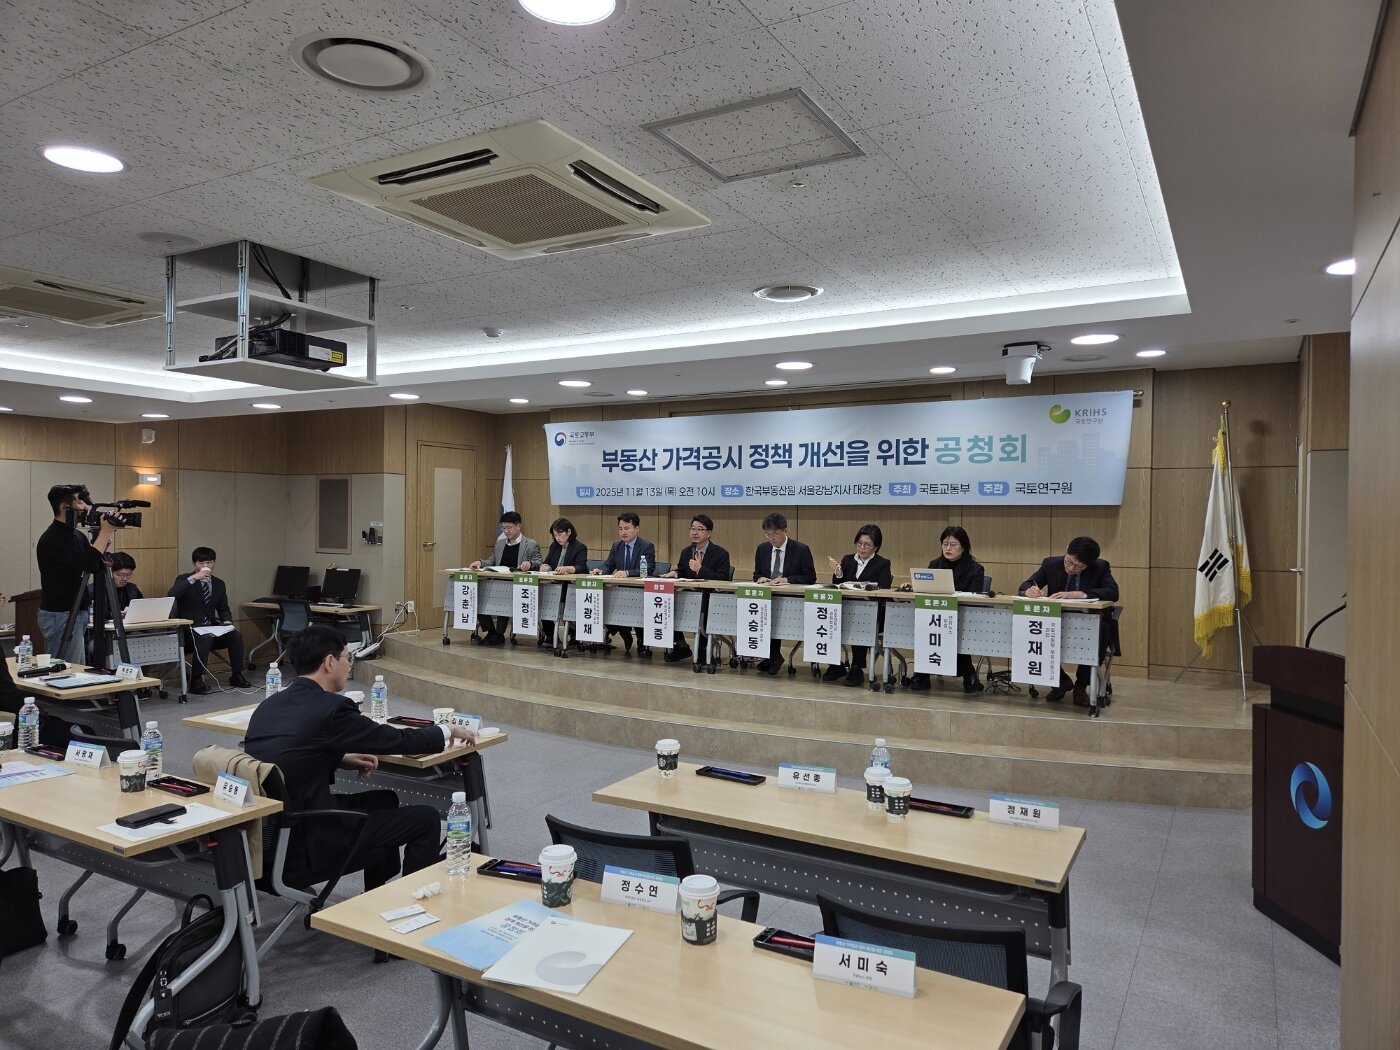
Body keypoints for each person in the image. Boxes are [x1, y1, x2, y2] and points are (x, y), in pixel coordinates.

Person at [244, 625, 477, 893]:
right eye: (348, 658)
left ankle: (375, 892)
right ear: (330, 662)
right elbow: (394, 740)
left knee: (385, 799)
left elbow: (291, 755)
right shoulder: (332, 709)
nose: (349, 666)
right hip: (309, 837)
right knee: (424, 819)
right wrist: (446, 730)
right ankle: (415, 901)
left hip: (275, 832)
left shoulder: (270, 705)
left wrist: (339, 758)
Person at [1019, 536, 1120, 705]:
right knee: (1030, 628)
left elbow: (1112, 592)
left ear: (1089, 564)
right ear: (1066, 550)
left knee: (1100, 631)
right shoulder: (1050, 564)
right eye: (1069, 562)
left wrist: (1081, 594)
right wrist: (1028, 590)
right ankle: (1061, 681)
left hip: (1088, 621)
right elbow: (1027, 584)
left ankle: (1081, 686)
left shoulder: (1101, 567)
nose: (1071, 568)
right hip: (1056, 620)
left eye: (1079, 567)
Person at [36, 483, 119, 664]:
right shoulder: (52, 538)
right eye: (81, 502)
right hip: (61, 613)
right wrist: (105, 532)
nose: (86, 508)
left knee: (75, 667)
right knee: (65, 670)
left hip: (75, 611)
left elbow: (94, 566)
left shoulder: (76, 535)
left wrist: (102, 542)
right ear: (65, 507)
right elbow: (86, 562)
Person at [908, 526, 986, 693]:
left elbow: (975, 598)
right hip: (934, 617)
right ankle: (922, 674)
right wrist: (914, 587)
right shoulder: (934, 564)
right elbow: (926, 591)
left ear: (963, 547)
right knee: (927, 628)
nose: (948, 548)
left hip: (962, 618)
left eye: (953, 544)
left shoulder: (975, 569)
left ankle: (968, 674)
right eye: (944, 544)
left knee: (954, 630)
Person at [169, 546, 251, 693]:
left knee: (235, 636)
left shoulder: (219, 584)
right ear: (195, 564)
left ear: (214, 563)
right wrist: (193, 578)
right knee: (204, 638)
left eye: (209, 563)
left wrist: (227, 622)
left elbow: (223, 608)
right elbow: (172, 594)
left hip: (212, 627)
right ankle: (196, 679)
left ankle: (237, 674)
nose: (206, 566)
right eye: (201, 563)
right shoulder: (184, 580)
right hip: (190, 631)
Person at [826, 524, 893, 686]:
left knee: (860, 618)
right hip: (845, 608)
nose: (862, 548)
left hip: (869, 610)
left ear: (876, 547)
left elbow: (883, 588)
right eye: (859, 544)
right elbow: (839, 585)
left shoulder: (882, 563)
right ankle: (835, 664)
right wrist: (838, 573)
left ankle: (857, 666)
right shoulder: (848, 559)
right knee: (828, 617)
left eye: (867, 545)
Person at [752, 512, 816, 675]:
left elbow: (810, 577)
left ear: (785, 530)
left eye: (775, 534)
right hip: (768, 597)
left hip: (791, 599)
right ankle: (771, 656)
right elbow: (756, 573)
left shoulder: (800, 549)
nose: (771, 538)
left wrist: (786, 579)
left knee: (775, 616)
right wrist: (761, 579)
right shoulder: (762, 549)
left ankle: (773, 657)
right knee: (763, 615)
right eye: (767, 534)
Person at [661, 514, 730, 663]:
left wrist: (701, 569)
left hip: (710, 598)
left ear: (709, 533)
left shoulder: (720, 554)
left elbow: (724, 580)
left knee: (702, 605)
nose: (695, 532)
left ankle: (704, 649)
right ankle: (680, 645)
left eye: (700, 529)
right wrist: (674, 573)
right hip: (689, 595)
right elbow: (682, 571)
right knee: (666, 604)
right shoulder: (687, 552)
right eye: (692, 529)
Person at [468, 511, 542, 645]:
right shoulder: (500, 543)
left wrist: (530, 563)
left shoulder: (530, 544)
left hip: (517, 584)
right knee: (476, 595)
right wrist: (481, 562)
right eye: (504, 528)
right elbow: (492, 561)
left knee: (504, 596)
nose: (506, 531)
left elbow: (539, 563)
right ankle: (491, 631)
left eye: (509, 528)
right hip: (497, 580)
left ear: (518, 526)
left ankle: (499, 633)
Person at [592, 512, 657, 653]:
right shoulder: (617, 546)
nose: (623, 532)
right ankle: (624, 631)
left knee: (637, 607)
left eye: (627, 528)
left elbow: (649, 569)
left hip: (640, 590)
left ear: (637, 528)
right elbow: (609, 565)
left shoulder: (646, 546)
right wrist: (600, 571)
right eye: (621, 529)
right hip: (620, 590)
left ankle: (642, 641)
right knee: (607, 602)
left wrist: (627, 573)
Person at [540, 517, 587, 648]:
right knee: (545, 598)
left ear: (569, 532)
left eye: (560, 534)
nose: (557, 538)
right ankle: (549, 635)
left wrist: (567, 569)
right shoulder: (554, 546)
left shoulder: (579, 547)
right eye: (555, 535)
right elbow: (548, 562)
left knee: (568, 601)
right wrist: (545, 567)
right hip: (554, 585)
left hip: (569, 586)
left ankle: (574, 634)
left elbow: (582, 567)